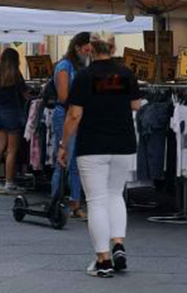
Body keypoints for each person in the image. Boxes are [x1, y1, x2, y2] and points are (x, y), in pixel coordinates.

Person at [58, 34, 141, 278]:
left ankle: (103, 261)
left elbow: (74, 115)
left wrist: (64, 145)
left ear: (90, 49)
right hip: (123, 142)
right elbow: (136, 105)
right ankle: (118, 244)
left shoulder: (84, 77)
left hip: (92, 144)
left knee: (96, 201)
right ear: (113, 48)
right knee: (116, 195)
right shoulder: (126, 73)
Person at [51, 31, 91, 219]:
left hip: (79, 115)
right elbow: (63, 96)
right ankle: (55, 201)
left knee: (77, 163)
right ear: (77, 47)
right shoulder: (64, 66)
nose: (89, 51)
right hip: (66, 115)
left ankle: (75, 204)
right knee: (64, 159)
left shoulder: (82, 66)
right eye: (86, 48)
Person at [0, 48, 28, 194]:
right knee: (11, 151)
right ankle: (9, 183)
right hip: (13, 114)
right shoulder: (16, 75)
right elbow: (26, 95)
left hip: (0, 112)